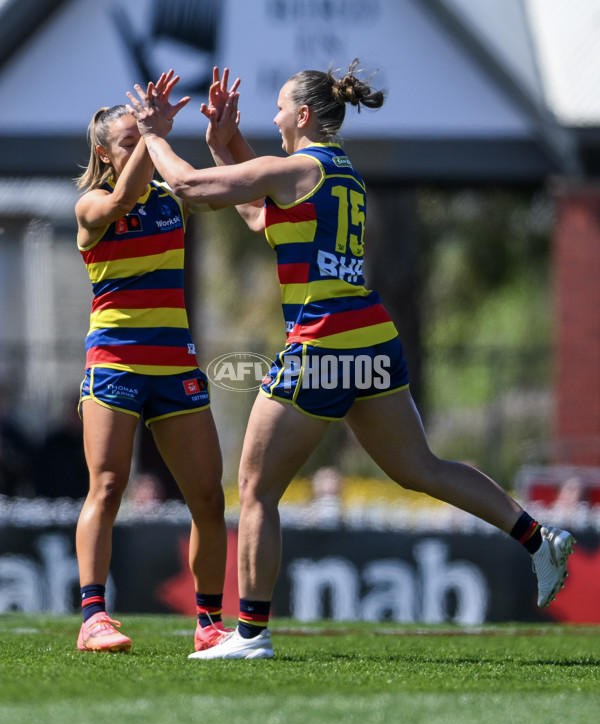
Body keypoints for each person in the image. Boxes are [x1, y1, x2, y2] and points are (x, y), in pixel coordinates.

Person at [126, 62, 576, 660]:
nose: (277, 116)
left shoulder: (298, 167)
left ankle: (251, 635)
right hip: (371, 338)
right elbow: (263, 216)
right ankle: (538, 539)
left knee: (257, 489)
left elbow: (189, 189)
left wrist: (153, 132)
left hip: (322, 343)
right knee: (421, 467)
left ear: (304, 116)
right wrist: (224, 142)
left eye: (282, 107)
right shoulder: (341, 175)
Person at [74, 71, 229, 653]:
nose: (140, 145)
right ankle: (93, 619)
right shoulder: (92, 205)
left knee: (208, 498)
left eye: (144, 136)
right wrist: (154, 136)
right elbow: (119, 200)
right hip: (114, 363)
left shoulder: (171, 197)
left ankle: (210, 623)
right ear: (103, 153)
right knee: (108, 486)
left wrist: (222, 137)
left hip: (175, 365)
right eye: (128, 140)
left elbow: (229, 191)